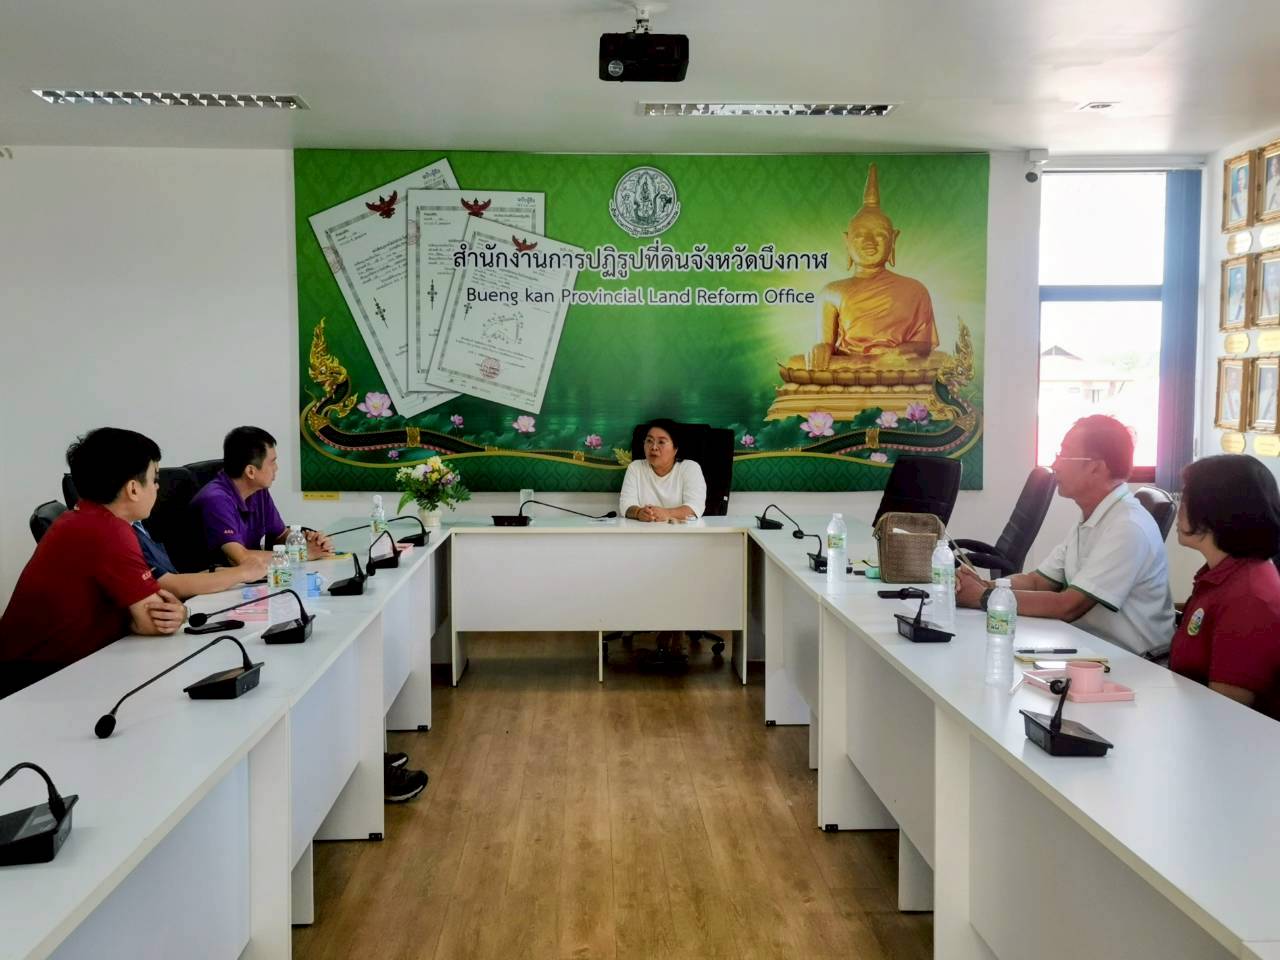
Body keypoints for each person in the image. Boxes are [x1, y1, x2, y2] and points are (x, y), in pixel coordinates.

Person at [956, 415, 1174, 656]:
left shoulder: (1129, 527)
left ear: (1095, 467)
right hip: (1087, 647)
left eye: (1064, 454)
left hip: (1133, 663)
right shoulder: (1092, 517)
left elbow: (1068, 605)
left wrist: (983, 597)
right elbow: (1038, 582)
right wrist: (982, 584)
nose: (1056, 464)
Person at [0, 429, 189, 698]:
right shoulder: (108, 530)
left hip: (45, 669)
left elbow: (148, 615)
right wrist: (178, 614)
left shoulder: (82, 517)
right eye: (154, 479)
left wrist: (161, 614)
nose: (158, 487)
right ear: (133, 489)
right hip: (33, 684)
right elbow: (153, 621)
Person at [1168, 455, 1280, 718]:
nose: (1178, 507)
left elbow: (1225, 711)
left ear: (1213, 511)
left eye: (1185, 499)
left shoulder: (1250, 596)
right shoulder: (1221, 575)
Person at [809, 163, 939, 366]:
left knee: (940, 362)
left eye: (880, 234)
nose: (870, 242)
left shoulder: (915, 290)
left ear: (893, 240)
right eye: (860, 235)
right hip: (848, 366)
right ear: (847, 241)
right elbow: (825, 343)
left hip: (895, 366)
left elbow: (924, 346)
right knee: (798, 363)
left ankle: (872, 369)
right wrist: (821, 349)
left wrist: (899, 353)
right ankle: (867, 369)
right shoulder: (831, 292)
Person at [190, 426, 334, 566]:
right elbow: (240, 558)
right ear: (251, 472)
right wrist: (303, 554)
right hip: (213, 583)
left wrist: (306, 542)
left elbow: (280, 536)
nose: (276, 468)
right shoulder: (216, 500)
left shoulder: (258, 491)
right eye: (272, 462)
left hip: (250, 579)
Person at [619, 419, 706, 522]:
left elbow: (695, 507)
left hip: (680, 533)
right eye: (649, 441)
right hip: (643, 532)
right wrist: (638, 512)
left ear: (675, 449)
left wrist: (666, 513)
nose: (654, 447)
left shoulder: (690, 468)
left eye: (661, 442)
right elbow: (626, 505)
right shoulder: (635, 467)